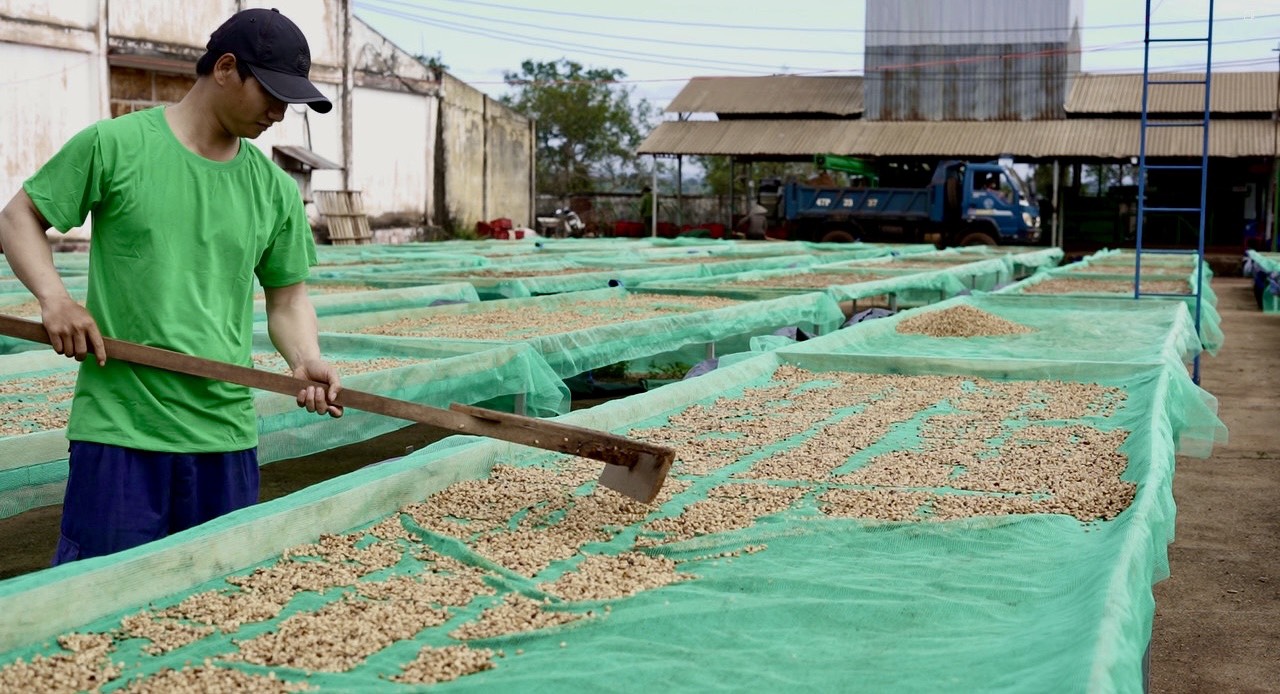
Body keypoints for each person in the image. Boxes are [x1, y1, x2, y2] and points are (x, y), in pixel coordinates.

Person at [0, 8, 342, 564]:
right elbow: (19, 218)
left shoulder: (274, 189)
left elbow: (288, 298)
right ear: (226, 68)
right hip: (121, 431)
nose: (279, 114)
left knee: (214, 597)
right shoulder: (115, 145)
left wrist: (304, 360)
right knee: (101, 593)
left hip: (224, 435)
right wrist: (55, 299)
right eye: (272, 94)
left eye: (290, 102)